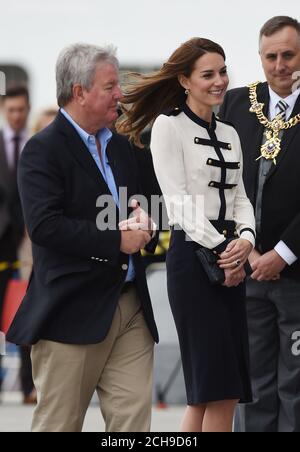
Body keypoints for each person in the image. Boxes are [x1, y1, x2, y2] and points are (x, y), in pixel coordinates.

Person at [7, 43, 159, 432]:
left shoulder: (125, 143)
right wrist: (116, 241)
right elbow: (44, 225)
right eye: (110, 86)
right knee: (59, 425)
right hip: (70, 314)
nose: (119, 95)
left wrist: (149, 218)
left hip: (130, 311)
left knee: (132, 427)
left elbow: (152, 198)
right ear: (79, 92)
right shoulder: (42, 150)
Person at [117, 37, 256, 432]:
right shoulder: (167, 126)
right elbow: (176, 202)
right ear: (184, 80)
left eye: (223, 71)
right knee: (217, 386)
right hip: (194, 261)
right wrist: (227, 249)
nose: (219, 81)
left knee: (217, 388)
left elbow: (241, 197)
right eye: (208, 74)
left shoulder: (230, 133)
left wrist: (245, 237)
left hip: (233, 258)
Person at [219, 16, 300, 432]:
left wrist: (282, 254)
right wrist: (245, 243)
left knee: (296, 384)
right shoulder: (237, 102)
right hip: (246, 268)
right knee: (253, 383)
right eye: (271, 56)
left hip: (295, 272)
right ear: (260, 58)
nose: (279, 64)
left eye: (288, 54)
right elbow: (220, 180)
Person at [0, 86, 36, 404]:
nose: (16, 115)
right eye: (11, 110)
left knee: (24, 312)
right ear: (3, 110)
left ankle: (28, 387)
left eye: (21, 110)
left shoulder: (34, 146)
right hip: (1, 245)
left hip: (26, 245)